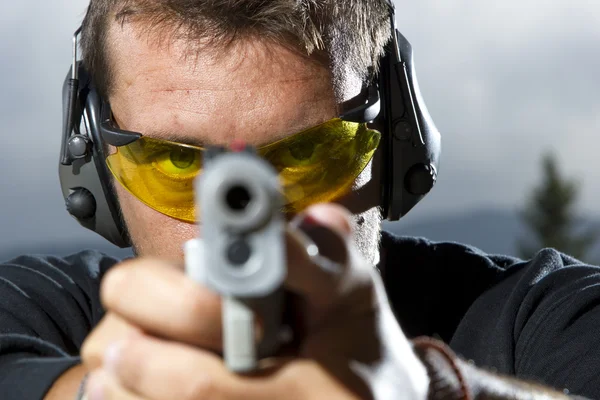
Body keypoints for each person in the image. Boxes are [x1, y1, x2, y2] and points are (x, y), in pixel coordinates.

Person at [0, 0, 598, 399]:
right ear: (93, 166)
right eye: (176, 162)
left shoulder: (543, 321)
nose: (248, 220)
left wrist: (424, 388)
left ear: (398, 143)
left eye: (307, 155)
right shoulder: (35, 312)